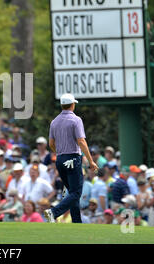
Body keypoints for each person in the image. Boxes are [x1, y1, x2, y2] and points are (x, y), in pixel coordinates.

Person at [45, 93, 98, 224]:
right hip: (73, 158)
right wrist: (91, 161)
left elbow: (51, 143)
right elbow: (81, 141)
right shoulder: (76, 120)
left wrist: (61, 153)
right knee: (76, 193)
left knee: (72, 192)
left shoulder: (54, 121)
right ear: (72, 105)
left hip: (60, 159)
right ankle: (54, 212)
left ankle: (76, 222)